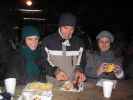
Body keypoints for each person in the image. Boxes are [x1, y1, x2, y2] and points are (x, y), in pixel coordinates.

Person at [41, 13, 86, 85]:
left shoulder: (79, 43)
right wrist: (55, 71)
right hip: (53, 83)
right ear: (60, 26)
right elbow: (43, 61)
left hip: (73, 83)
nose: (68, 32)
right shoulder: (47, 41)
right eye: (65, 28)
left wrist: (79, 71)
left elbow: (81, 61)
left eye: (72, 29)